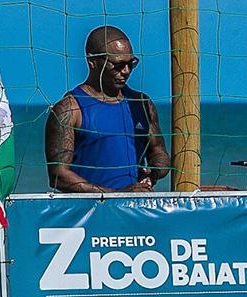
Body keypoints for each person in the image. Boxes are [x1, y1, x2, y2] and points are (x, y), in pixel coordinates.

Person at [45, 25, 170, 192]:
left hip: (137, 205)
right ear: (92, 62)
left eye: (131, 63)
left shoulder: (141, 103)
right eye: (118, 65)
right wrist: (116, 195)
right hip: (90, 207)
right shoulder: (69, 109)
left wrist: (153, 173)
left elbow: (159, 152)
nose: (126, 71)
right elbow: (58, 176)